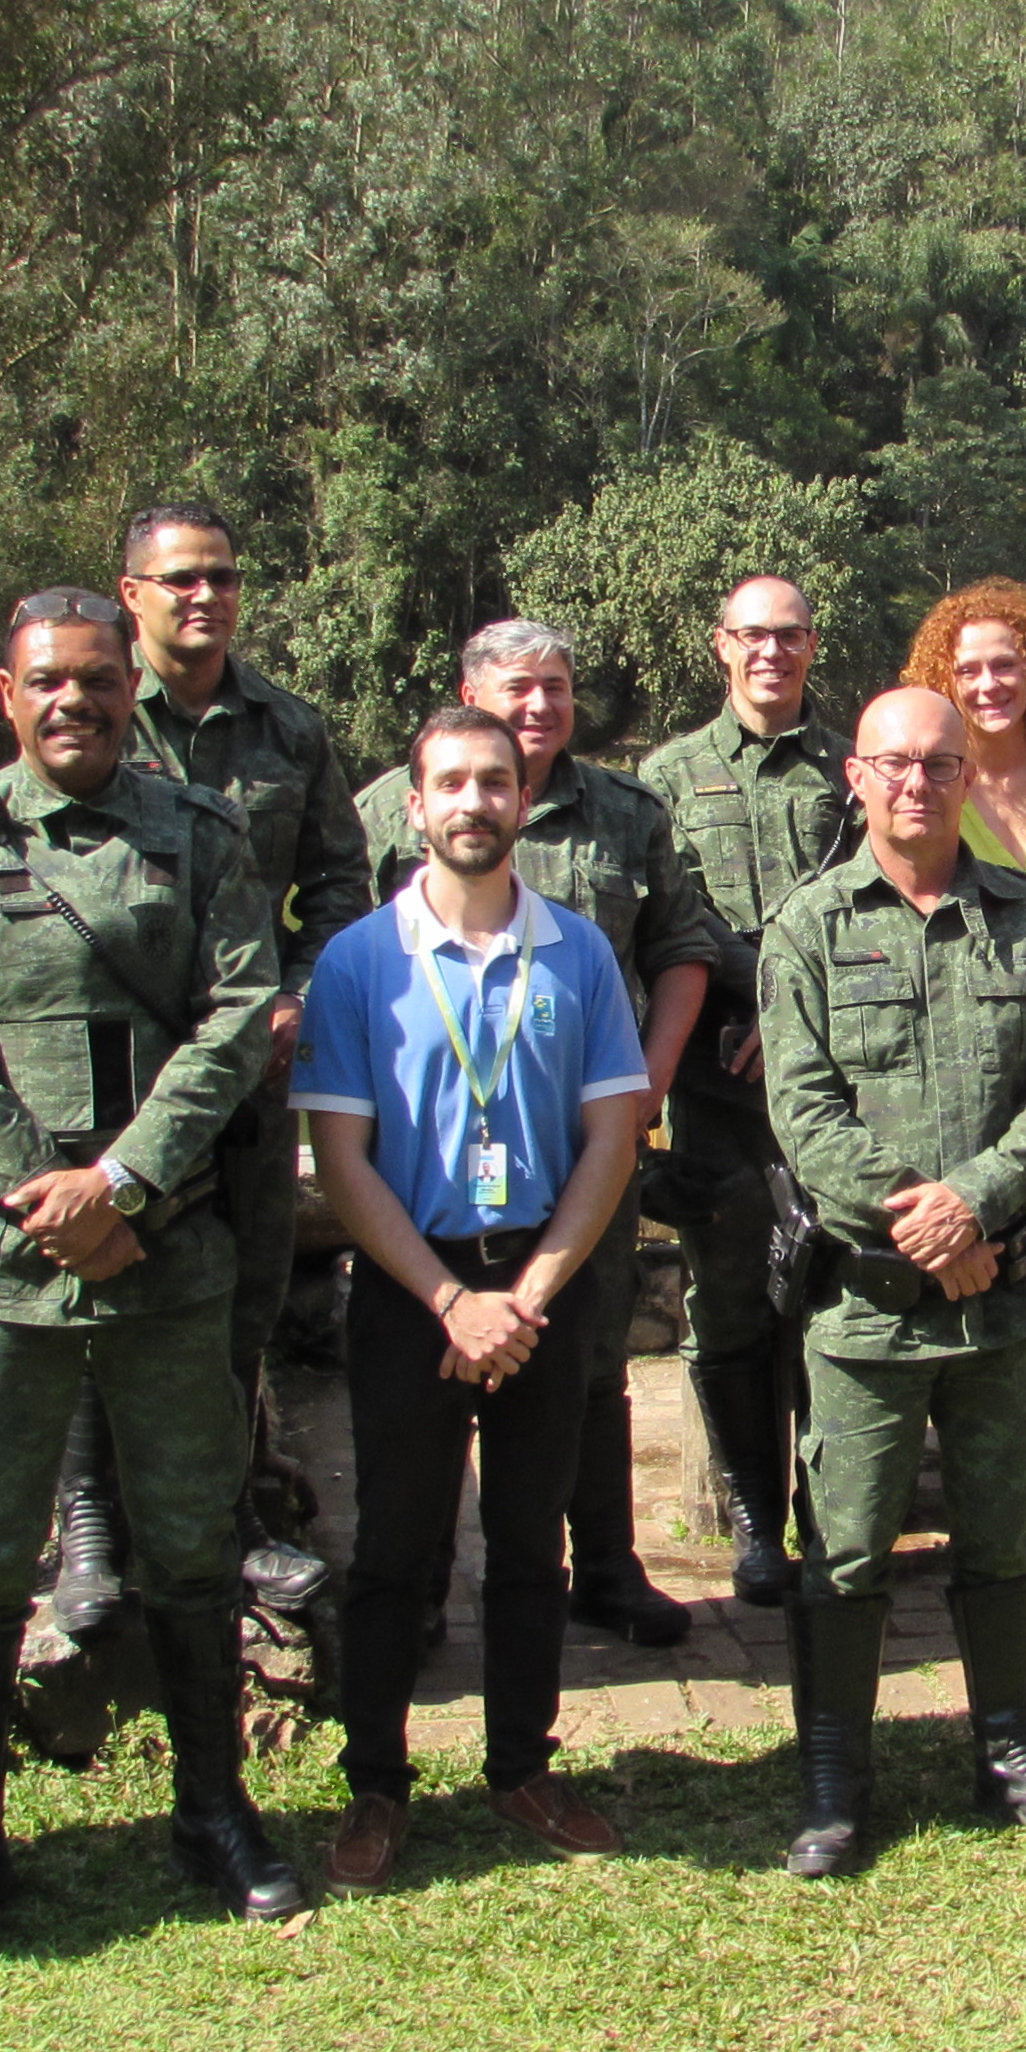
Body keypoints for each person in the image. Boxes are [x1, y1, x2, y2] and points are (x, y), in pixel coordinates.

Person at [0, 591, 301, 1965]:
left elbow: (243, 1012)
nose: (77, 703)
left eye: (99, 683)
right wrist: (48, 1198)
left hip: (168, 1254)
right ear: (6, 694)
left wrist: (123, 1185)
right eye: (48, 683)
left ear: (132, 688)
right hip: (7, 1269)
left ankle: (212, 1810)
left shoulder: (203, 834)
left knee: (190, 1538)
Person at [295, 705, 653, 1890]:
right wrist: (453, 1302)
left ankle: (521, 1768)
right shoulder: (358, 963)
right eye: (448, 782)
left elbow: (613, 1136)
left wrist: (527, 1294)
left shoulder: (580, 954)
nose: (472, 803)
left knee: (527, 1543)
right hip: (415, 1289)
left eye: (493, 782)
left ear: (521, 797)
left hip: (543, 1289)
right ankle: (376, 1790)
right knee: (396, 1550)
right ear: (413, 805)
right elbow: (342, 1162)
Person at [757, 687, 1026, 1875]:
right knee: (846, 1547)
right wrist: (922, 1218)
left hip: (1000, 1299)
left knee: (1004, 1539)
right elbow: (801, 1111)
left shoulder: (1023, 909)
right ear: (855, 776)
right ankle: (833, 1778)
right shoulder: (805, 926)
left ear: (970, 775)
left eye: (941, 764)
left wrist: (980, 1202)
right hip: (864, 1309)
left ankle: (1010, 1752)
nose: (918, 783)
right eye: (895, 764)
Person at [352, 620, 718, 1644]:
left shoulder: (625, 811)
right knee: (433, 1354)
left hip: (583, 1137)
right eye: (519, 687)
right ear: (470, 693)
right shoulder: (394, 807)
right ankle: (418, 1589)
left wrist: (645, 1085)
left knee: (589, 1353)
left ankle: (603, 1567)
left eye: (558, 687)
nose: (543, 707)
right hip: (430, 1146)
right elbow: (347, 948)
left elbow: (680, 948)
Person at [83, 500, 371, 1635]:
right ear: (132, 594)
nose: (205, 596)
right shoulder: (98, 714)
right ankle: (96, 1527)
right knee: (104, 1285)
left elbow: (341, 882)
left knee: (243, 1292)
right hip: (122, 1077)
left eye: (222, 576)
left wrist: (301, 989)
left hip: (249, 1076)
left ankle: (236, 1511)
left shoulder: (289, 733)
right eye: (181, 579)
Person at [637, 574, 856, 1607]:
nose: (773, 652)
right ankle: (755, 1528)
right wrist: (758, 1002)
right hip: (717, 1078)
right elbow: (669, 918)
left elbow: (865, 901)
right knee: (727, 1304)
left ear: (814, 646)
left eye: (792, 636)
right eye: (753, 635)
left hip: (832, 1074)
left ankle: (833, 1516)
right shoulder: (668, 775)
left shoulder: (852, 767)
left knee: (831, 1295)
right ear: (720, 645)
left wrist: (796, 1014)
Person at [902, 578, 1026, 872]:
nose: (989, 685)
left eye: (1004, 665)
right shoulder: (923, 790)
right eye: (968, 671)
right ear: (944, 683)